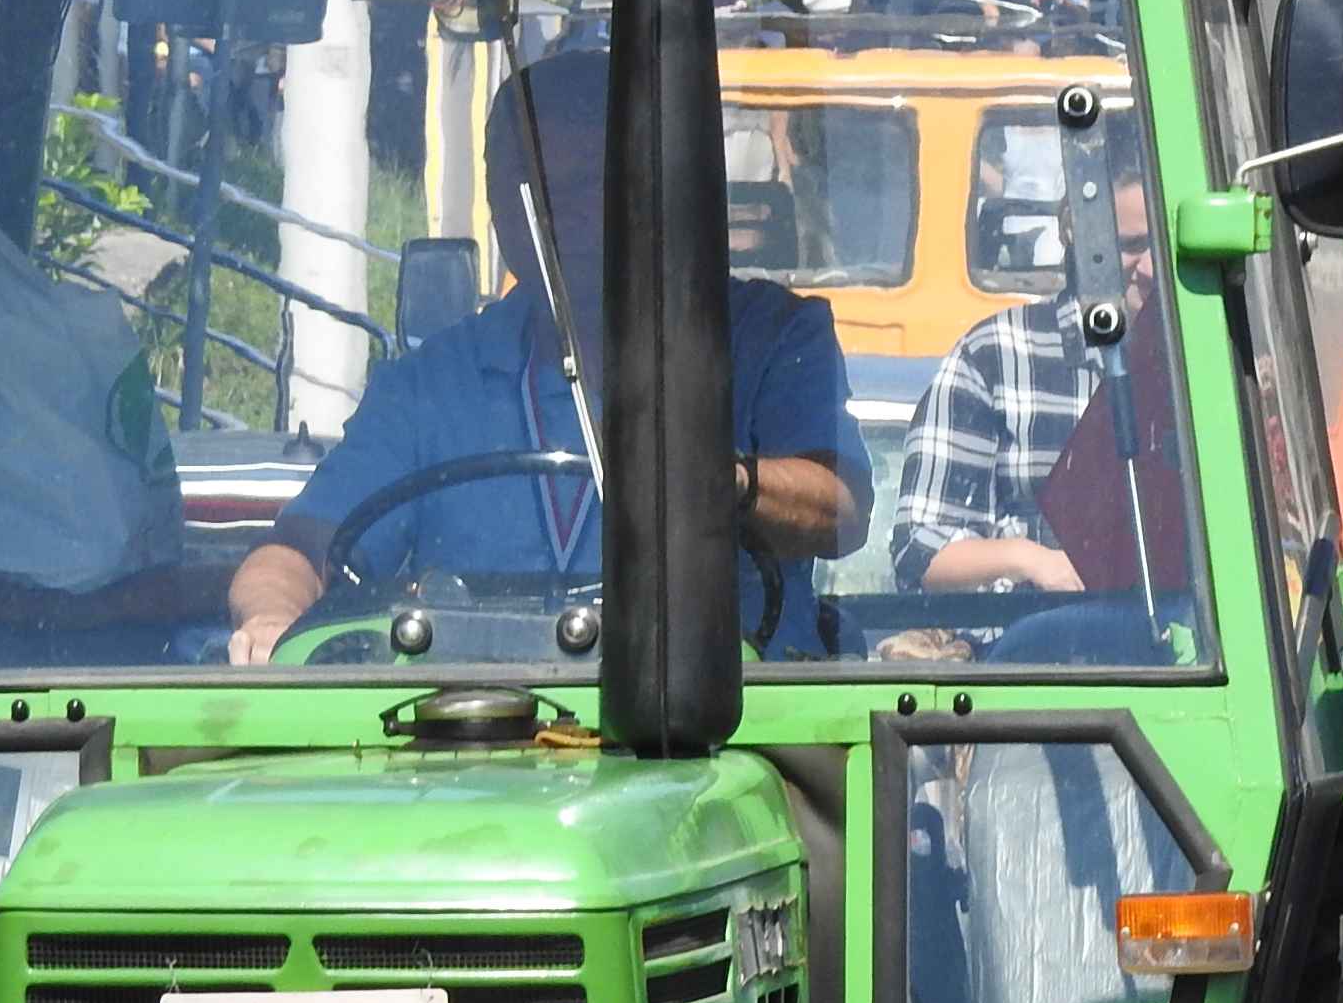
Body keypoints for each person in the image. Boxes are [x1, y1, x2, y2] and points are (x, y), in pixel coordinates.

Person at [226, 49, 868, 664]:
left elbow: (840, 511)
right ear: (500, 207)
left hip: (728, 711)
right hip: (478, 718)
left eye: (591, 187)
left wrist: (718, 478)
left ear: (652, 186)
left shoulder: (771, 336)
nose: (567, 220)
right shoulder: (434, 383)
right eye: (536, 193)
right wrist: (272, 618)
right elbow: (296, 551)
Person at [893, 166, 1163, 594]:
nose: (1149, 267)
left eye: (1163, 244)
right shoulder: (996, 355)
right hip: (1030, 633)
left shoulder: (1217, 361)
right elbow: (919, 550)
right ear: (1075, 231)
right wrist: (1031, 560)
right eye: (1130, 245)